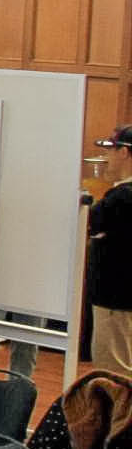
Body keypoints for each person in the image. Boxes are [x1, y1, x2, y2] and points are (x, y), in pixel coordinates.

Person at [85, 125, 132, 377]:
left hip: (116, 301)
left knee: (114, 377)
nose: (107, 158)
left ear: (124, 152)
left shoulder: (120, 198)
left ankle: (118, 418)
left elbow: (91, 223)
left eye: (111, 151)